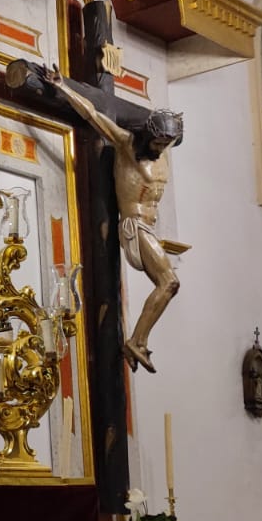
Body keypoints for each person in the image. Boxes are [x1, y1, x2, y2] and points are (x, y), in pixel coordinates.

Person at [41, 67, 184, 373]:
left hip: (150, 227)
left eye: (166, 143)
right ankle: (136, 341)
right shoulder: (127, 145)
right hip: (134, 225)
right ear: (149, 135)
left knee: (169, 284)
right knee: (169, 282)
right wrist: (63, 87)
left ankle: (137, 341)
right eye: (158, 143)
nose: (161, 149)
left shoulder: (162, 154)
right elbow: (93, 114)